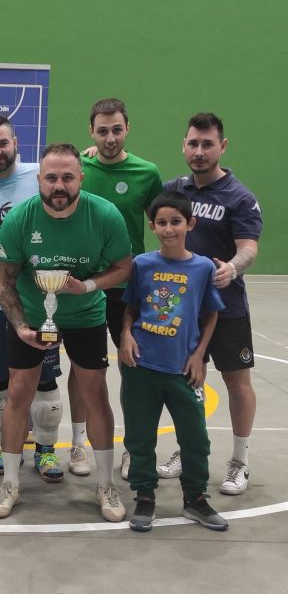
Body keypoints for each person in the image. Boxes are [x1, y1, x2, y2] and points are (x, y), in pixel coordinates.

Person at [0, 143, 132, 522]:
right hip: (35, 315)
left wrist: (85, 286)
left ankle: (105, 485)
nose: (59, 185)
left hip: (85, 314)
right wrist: (19, 326)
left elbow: (122, 267)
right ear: (39, 179)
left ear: (81, 177)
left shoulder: (105, 215)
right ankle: (12, 485)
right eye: (51, 177)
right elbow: (5, 282)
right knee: (18, 393)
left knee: (95, 394)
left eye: (67, 177)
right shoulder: (21, 219)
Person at [159, 113, 262, 495]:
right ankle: (188, 450)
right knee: (188, 385)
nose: (199, 151)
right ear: (184, 146)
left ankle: (240, 461)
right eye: (193, 144)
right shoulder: (174, 190)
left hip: (227, 308)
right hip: (183, 312)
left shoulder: (240, 197)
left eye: (207, 144)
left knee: (237, 383)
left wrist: (231, 269)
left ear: (222, 146)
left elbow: (248, 248)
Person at [0, 114, 64, 480]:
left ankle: (47, 451)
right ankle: (7, 448)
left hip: (38, 302)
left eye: (3, 143)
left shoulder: (40, 177)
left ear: (16, 142)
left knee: (45, 381)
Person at [120, 191, 228, 531]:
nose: (169, 229)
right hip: (141, 367)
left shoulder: (202, 267)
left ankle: (195, 498)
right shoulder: (142, 264)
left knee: (195, 438)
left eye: (176, 222)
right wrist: (125, 334)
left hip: (183, 370)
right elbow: (131, 307)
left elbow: (210, 314)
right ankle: (145, 496)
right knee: (140, 437)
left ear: (190, 223)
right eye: (162, 223)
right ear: (152, 226)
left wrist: (200, 355)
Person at [69, 98, 163, 479]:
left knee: (132, 367)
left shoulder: (146, 172)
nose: (110, 138)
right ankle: (78, 443)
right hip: (83, 286)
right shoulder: (80, 167)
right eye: (102, 130)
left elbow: (161, 223)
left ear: (128, 129)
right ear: (91, 131)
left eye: (117, 129)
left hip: (127, 288)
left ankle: (133, 449)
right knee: (81, 368)